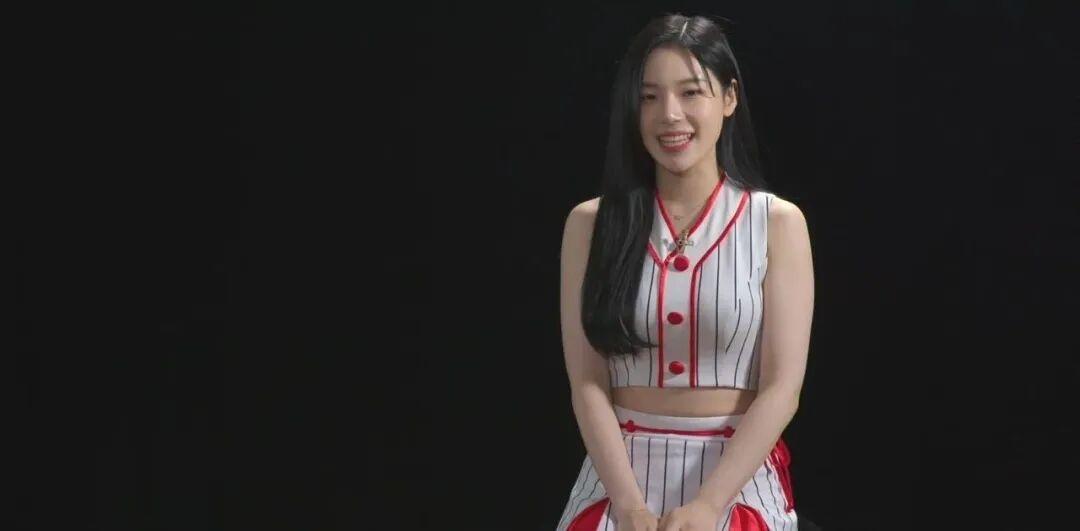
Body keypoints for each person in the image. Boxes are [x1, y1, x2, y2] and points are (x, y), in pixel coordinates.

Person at [556, 13, 815, 531]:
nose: (669, 115)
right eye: (649, 97)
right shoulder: (590, 224)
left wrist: (708, 505)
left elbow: (782, 388)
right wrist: (629, 507)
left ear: (729, 98)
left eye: (690, 92)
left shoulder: (776, 223)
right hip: (617, 479)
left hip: (735, 480)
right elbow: (587, 383)